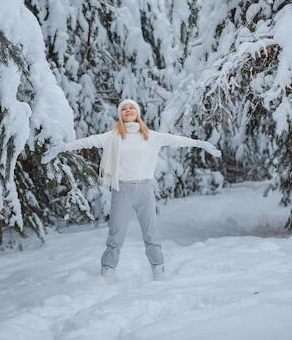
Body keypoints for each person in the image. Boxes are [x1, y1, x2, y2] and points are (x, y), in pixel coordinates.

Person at [41, 99, 222, 281]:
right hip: (122, 190)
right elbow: (88, 142)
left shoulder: (152, 136)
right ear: (120, 114)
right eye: (124, 109)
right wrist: (63, 147)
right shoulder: (112, 136)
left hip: (145, 189)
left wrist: (200, 143)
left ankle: (159, 272)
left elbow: (177, 140)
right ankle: (106, 274)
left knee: (151, 234)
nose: (128, 110)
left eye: (131, 108)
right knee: (116, 235)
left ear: (138, 112)